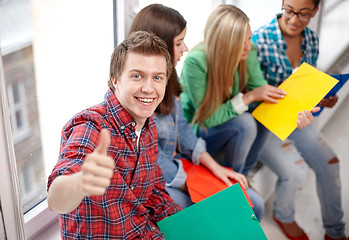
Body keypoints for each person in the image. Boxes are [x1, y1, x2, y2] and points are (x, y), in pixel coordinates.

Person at [128, 3, 264, 219]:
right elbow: (152, 159)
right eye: (179, 43)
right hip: (157, 179)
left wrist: (215, 168)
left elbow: (182, 128)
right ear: (158, 46)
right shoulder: (135, 95)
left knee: (255, 206)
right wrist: (191, 185)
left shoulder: (169, 77)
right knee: (207, 211)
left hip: (179, 163)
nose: (186, 48)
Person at [46, 31, 180, 239]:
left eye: (157, 78)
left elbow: (154, 192)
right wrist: (80, 181)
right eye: (137, 76)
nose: (148, 88)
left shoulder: (148, 125)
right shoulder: (91, 127)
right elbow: (56, 200)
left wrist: (187, 226)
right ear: (115, 79)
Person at [180, 4, 314, 191]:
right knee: (245, 123)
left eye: (249, 37)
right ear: (223, 42)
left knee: (264, 112)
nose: (247, 45)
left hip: (225, 119)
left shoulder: (248, 51)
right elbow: (207, 118)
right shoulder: (197, 62)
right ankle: (233, 184)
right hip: (197, 130)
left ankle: (242, 176)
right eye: (238, 40)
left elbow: (263, 91)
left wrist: (298, 107)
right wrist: (248, 97)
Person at [252, 0, 347, 239]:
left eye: (304, 14)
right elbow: (245, 94)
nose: (294, 20)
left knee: (330, 163)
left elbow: (305, 84)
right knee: (296, 171)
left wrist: (319, 101)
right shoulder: (257, 41)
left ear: (315, 12)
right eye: (289, 11)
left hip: (294, 117)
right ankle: (283, 215)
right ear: (282, 4)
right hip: (263, 123)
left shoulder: (312, 41)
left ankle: (335, 232)